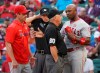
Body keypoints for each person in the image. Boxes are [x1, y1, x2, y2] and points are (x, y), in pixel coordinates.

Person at [5, 5, 43, 73]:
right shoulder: (12, 27)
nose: (25, 15)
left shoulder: (25, 25)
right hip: (16, 61)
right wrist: (13, 60)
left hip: (25, 60)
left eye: (26, 13)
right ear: (17, 14)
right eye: (23, 14)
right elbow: (8, 44)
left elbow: (26, 42)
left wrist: (31, 55)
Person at [60, 4, 91, 73]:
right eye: (66, 11)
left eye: (69, 11)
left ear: (75, 11)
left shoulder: (83, 24)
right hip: (66, 52)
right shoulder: (66, 23)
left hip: (77, 52)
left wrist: (75, 38)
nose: (67, 13)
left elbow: (87, 41)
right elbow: (60, 36)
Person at [45, 9, 67, 73]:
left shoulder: (53, 27)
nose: (61, 17)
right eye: (59, 15)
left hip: (55, 58)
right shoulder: (51, 28)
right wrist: (57, 60)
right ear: (55, 17)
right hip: (54, 58)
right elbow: (52, 46)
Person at [31, 8, 49, 73]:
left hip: (48, 53)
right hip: (38, 53)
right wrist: (36, 16)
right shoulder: (37, 21)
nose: (45, 17)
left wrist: (43, 34)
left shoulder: (52, 23)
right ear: (40, 15)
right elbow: (26, 21)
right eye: (43, 15)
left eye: (47, 15)